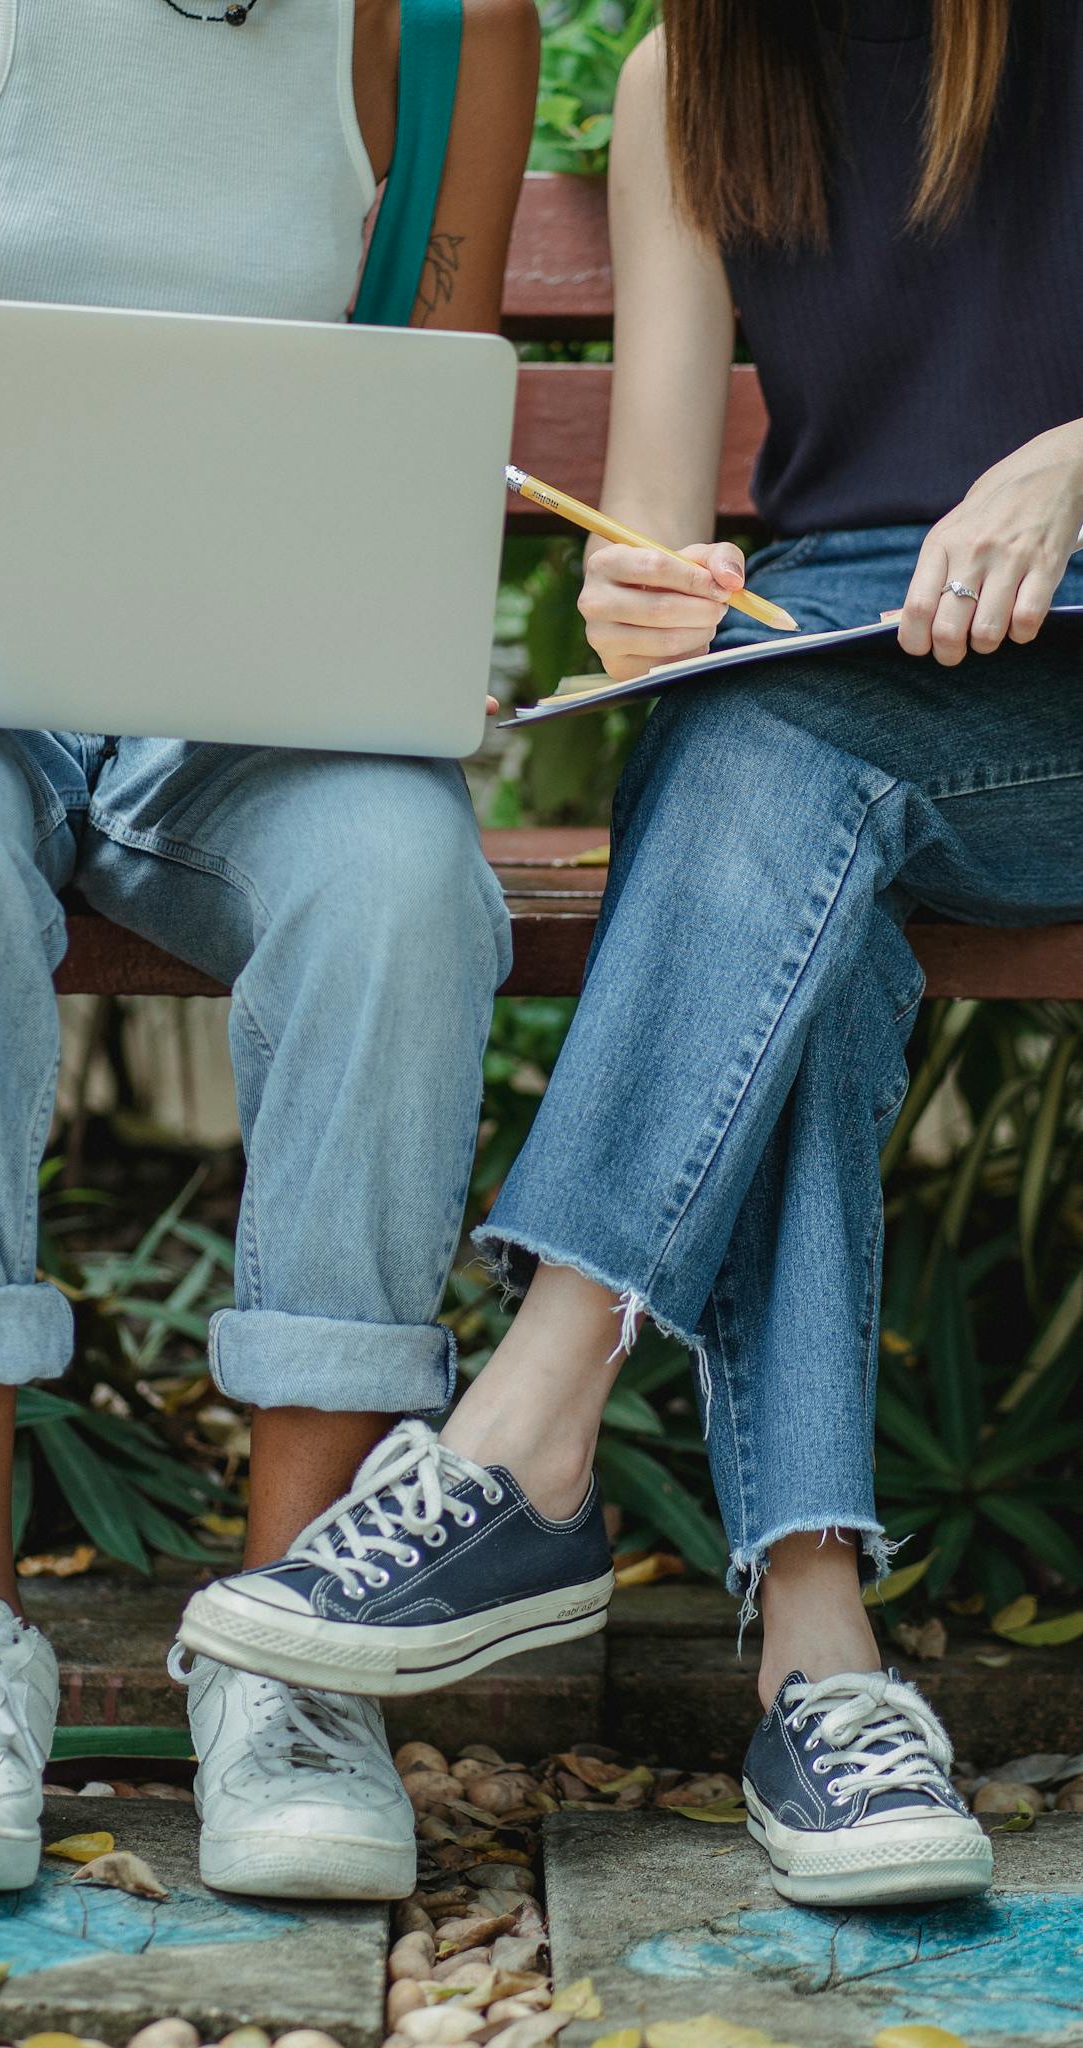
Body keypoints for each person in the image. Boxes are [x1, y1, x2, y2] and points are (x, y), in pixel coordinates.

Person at [180, 0, 1083, 1909]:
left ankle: (525, 1431)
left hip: (1057, 697)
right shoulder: (703, 69)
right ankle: (820, 1673)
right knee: (760, 790)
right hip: (830, 682)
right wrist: (635, 597)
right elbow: (664, 537)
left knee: (769, 768)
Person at [0, 0, 538, 1898]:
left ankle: (283, 1663)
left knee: (402, 874)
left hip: (229, 713)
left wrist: (398, 624)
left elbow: (420, 450)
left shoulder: (443, 27)